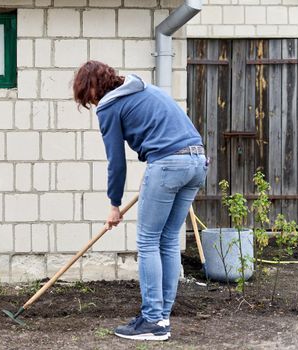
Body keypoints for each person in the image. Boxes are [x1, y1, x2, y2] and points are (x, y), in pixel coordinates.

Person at [73, 61, 208, 341]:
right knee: (168, 240)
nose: (92, 102)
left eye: (89, 96)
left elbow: (116, 162)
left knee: (148, 240)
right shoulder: (145, 89)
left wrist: (114, 204)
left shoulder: (110, 106)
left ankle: (152, 320)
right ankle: (161, 318)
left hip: (169, 164)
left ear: (93, 88)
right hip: (197, 161)